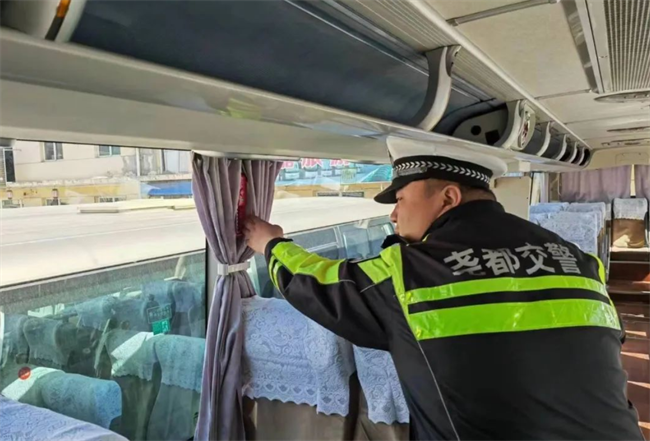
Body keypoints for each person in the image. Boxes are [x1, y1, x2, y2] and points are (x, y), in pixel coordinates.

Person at [243, 138, 644, 441]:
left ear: (449, 198)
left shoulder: (411, 271)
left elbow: (321, 283)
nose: (394, 214)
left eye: (401, 199)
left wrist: (271, 244)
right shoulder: (577, 260)